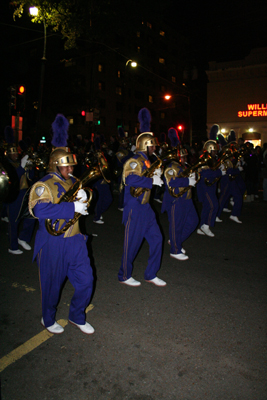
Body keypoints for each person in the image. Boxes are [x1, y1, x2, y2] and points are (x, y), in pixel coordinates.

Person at [28, 114, 94, 335]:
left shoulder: (74, 181)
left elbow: (81, 205)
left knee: (86, 280)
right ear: (55, 166)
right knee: (52, 286)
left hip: (75, 239)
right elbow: (39, 210)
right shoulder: (43, 184)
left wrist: (83, 200)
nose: (71, 171)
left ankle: (76, 315)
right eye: (67, 167)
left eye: (72, 167)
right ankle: (48, 319)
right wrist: (71, 208)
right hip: (53, 242)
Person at [118, 108, 166, 287]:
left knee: (157, 239)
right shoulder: (134, 160)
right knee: (132, 244)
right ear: (145, 145)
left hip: (145, 206)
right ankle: (123, 275)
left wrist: (155, 176)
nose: (155, 147)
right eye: (152, 145)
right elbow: (130, 179)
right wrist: (150, 180)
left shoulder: (146, 160)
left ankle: (151, 274)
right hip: (134, 206)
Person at [162, 128, 198, 260]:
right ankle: (175, 250)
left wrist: (193, 175)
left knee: (193, 221)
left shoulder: (184, 166)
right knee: (176, 225)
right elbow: (171, 182)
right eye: (183, 156)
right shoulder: (171, 167)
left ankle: (175, 241)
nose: (185, 158)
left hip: (187, 199)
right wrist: (188, 180)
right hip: (176, 200)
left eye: (185, 156)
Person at [4, 126, 36, 254]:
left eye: (16, 152)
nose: (15, 154)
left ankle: (23, 238)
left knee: (31, 216)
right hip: (13, 195)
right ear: (7, 153)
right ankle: (13, 246)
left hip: (25, 193)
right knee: (14, 221)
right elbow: (11, 178)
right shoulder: (5, 165)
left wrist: (30, 166)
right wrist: (22, 167)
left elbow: (30, 177)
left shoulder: (18, 162)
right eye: (13, 152)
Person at [196, 125, 226, 237]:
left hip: (210, 186)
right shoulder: (204, 159)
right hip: (205, 187)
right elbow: (205, 173)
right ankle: (206, 225)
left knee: (208, 207)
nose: (215, 153)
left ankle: (201, 226)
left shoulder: (211, 159)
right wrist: (219, 173)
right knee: (214, 206)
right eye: (214, 151)